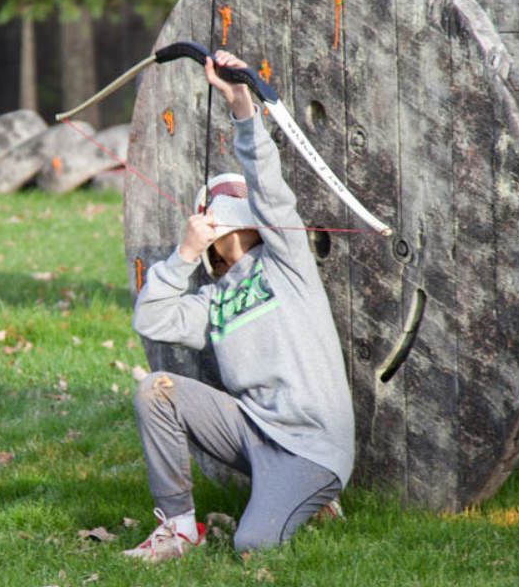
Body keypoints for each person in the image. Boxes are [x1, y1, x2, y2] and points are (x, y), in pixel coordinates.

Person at [122, 49, 354, 562]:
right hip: (253, 435)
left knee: (253, 546)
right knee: (155, 390)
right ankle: (179, 528)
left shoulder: (285, 261)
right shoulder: (212, 299)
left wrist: (241, 101)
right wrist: (184, 255)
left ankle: (316, 497)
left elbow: (269, 188)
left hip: (310, 449)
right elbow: (152, 318)